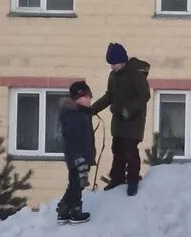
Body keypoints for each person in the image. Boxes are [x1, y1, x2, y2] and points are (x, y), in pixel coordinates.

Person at [90, 42, 151, 196]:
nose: (112, 67)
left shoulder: (135, 74)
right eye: (110, 64)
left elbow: (145, 95)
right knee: (117, 150)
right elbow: (109, 96)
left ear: (122, 60)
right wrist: (92, 109)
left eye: (114, 64)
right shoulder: (113, 76)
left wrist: (128, 110)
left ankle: (132, 181)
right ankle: (116, 178)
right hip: (118, 122)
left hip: (133, 122)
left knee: (130, 151)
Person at [57, 80, 96, 225]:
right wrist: (79, 158)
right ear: (77, 98)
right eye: (86, 96)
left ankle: (64, 209)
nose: (89, 99)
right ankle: (75, 211)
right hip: (78, 157)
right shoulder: (74, 115)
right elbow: (73, 139)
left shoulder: (82, 113)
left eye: (90, 96)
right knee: (77, 183)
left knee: (74, 183)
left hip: (80, 155)